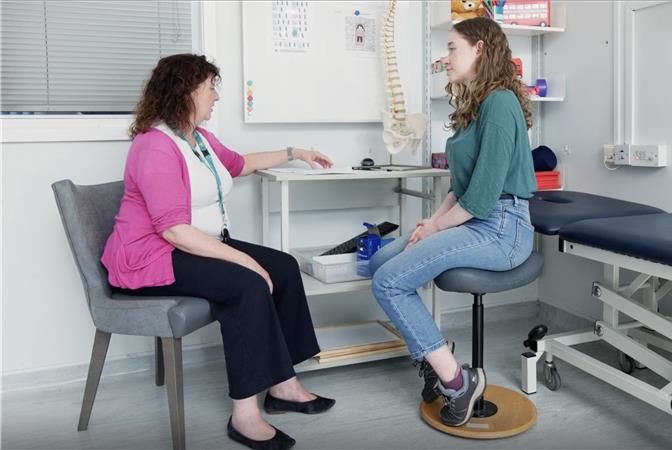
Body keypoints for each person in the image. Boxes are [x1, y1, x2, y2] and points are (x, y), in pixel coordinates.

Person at [101, 54, 335, 450]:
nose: (217, 96)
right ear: (186, 90)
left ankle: (284, 385)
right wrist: (245, 261)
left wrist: (296, 151)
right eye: (211, 86)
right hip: (148, 256)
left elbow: (240, 164)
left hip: (191, 245)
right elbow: (173, 230)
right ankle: (244, 414)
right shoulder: (154, 146)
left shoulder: (199, 139)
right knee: (246, 284)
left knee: (282, 266)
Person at [369, 17, 537, 427]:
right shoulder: (475, 103)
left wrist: (439, 228)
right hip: (475, 218)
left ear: (479, 49)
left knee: (388, 282)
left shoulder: (500, 103)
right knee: (380, 261)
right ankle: (433, 353)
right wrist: (432, 222)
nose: (445, 58)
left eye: (451, 48)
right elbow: (460, 186)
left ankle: (457, 382)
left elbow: (482, 197)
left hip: (503, 228)